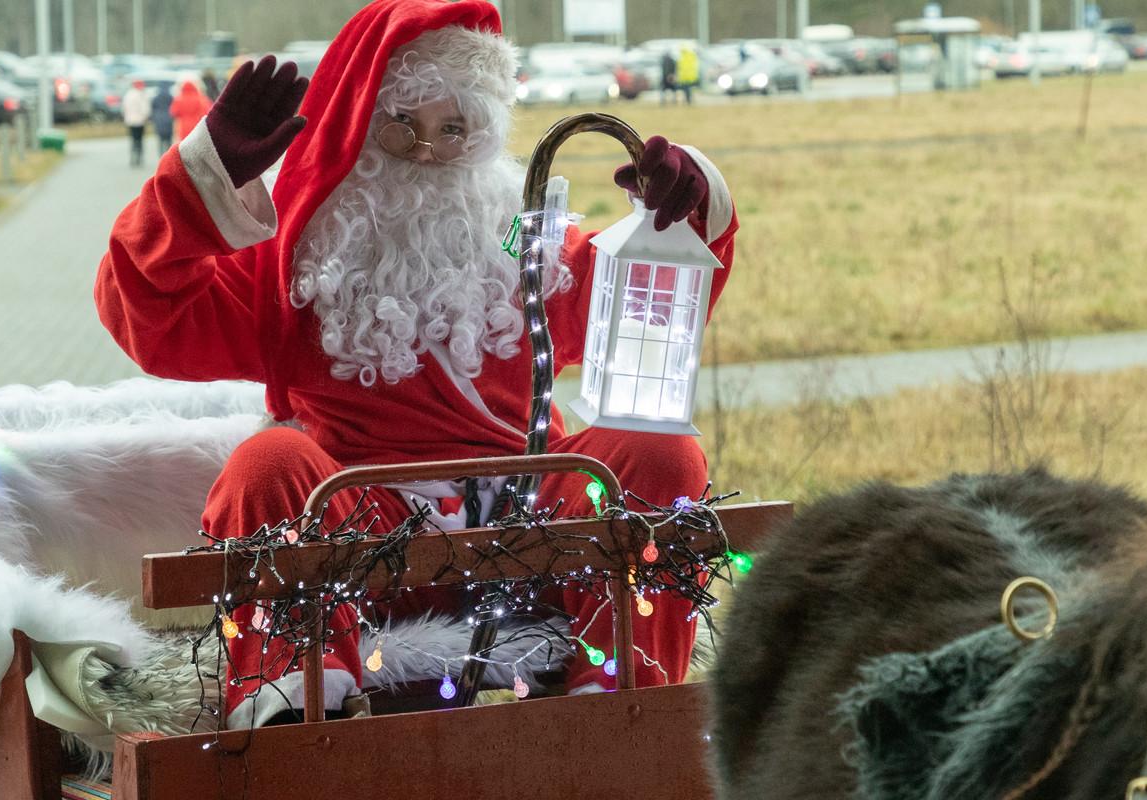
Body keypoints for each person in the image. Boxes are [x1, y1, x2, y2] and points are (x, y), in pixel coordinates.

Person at [96, 0, 738, 729]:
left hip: (530, 534)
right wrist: (201, 181)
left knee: (660, 452)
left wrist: (680, 209)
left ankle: (624, 699)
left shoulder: (535, 259)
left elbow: (670, 291)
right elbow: (146, 310)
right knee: (266, 465)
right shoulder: (295, 271)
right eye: (403, 125)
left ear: (485, 135)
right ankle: (297, 703)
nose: (429, 150)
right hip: (358, 538)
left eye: (454, 128)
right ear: (361, 129)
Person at [167, 78, 209, 145]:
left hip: (183, 127)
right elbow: (207, 111)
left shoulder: (179, 99)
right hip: (197, 126)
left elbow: (172, 112)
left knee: (185, 146)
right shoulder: (201, 98)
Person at [120, 79, 151, 166]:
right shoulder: (141, 95)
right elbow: (145, 109)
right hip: (140, 121)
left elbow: (123, 108)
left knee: (133, 139)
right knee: (140, 139)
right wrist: (146, 117)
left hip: (130, 121)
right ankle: (139, 157)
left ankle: (132, 157)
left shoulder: (128, 95)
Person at [149, 80, 175, 153]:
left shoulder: (155, 98)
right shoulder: (171, 97)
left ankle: (161, 157)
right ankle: (168, 156)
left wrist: (153, 118)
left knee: (160, 140)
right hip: (169, 119)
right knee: (169, 140)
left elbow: (152, 109)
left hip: (159, 119)